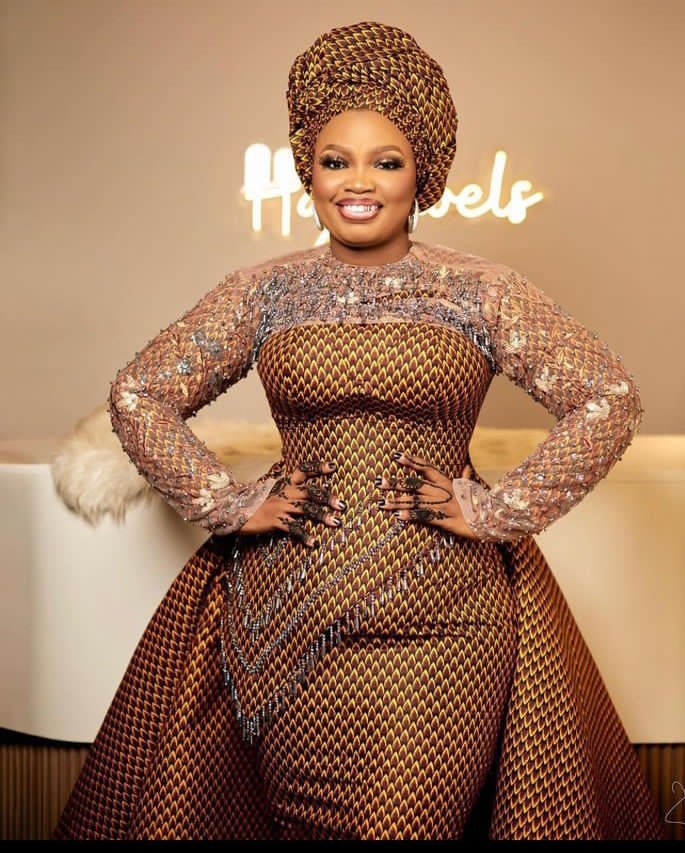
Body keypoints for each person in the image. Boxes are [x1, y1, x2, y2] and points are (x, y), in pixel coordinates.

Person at [53, 21, 664, 841]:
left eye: (386, 161)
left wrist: (498, 510)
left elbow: (608, 396)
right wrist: (229, 504)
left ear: (423, 174)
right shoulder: (263, 292)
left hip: (445, 619)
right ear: (307, 171)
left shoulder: (480, 291)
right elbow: (138, 394)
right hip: (283, 619)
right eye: (335, 161)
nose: (358, 183)